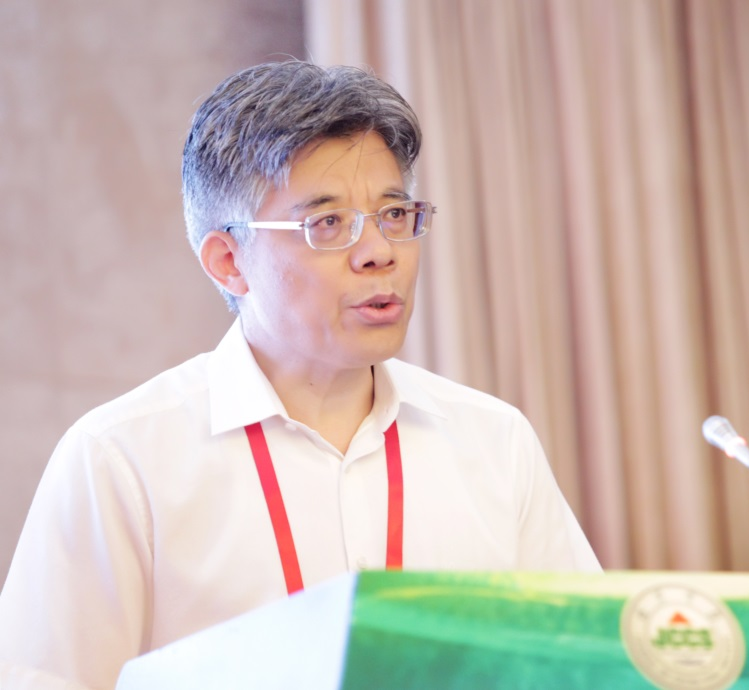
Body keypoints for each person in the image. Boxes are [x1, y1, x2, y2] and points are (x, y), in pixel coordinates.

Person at [0, 60, 600, 690]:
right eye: (328, 224)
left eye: (395, 215)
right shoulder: (122, 458)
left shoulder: (495, 441)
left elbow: (582, 666)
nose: (380, 252)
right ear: (229, 261)